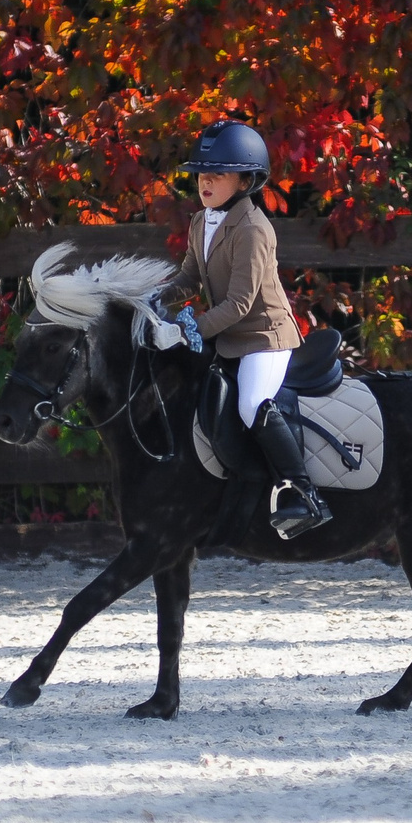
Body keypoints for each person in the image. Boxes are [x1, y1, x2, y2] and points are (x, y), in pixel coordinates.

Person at [167, 121, 333, 539]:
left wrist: (192, 330)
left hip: (264, 337)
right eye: (201, 174)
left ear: (245, 180)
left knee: (251, 403)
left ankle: (304, 492)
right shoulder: (201, 221)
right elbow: (188, 277)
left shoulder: (255, 229)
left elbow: (240, 304)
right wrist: (152, 301)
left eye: (217, 174)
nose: (204, 181)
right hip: (228, 334)